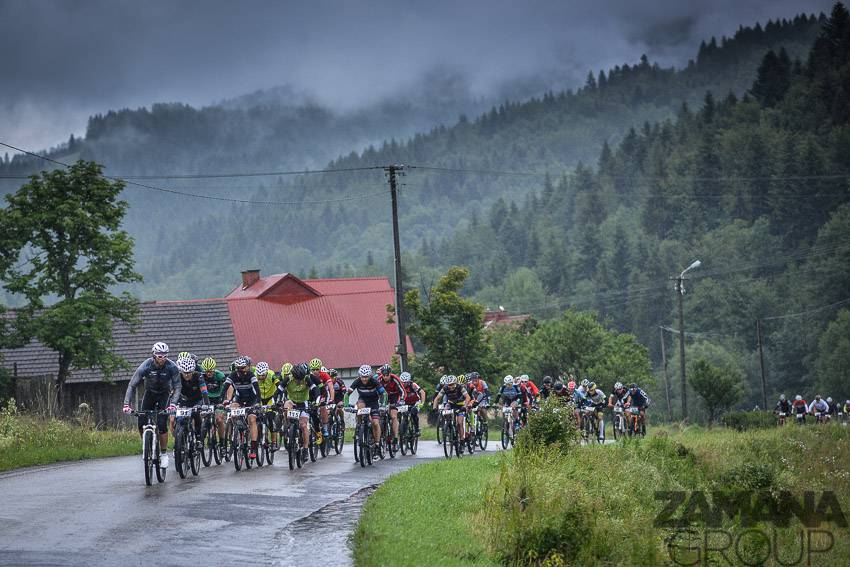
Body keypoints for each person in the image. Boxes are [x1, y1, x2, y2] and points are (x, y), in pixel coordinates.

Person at [122, 342, 181, 469]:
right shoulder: (146, 366)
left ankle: (164, 454)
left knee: (161, 423)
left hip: (164, 395)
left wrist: (173, 404)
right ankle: (146, 444)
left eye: (165, 356)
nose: (163, 358)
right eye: (160, 356)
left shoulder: (172, 367)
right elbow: (132, 385)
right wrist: (126, 404)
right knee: (141, 421)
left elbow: (177, 386)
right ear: (154, 356)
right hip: (150, 394)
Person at [279, 362, 321, 462]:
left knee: (303, 425)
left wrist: (317, 402)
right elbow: (279, 390)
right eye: (296, 379)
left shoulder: (306, 378)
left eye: (300, 379)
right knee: (286, 405)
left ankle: (306, 449)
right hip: (292, 402)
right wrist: (276, 401)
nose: (298, 381)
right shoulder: (288, 378)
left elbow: (315, 390)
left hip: (303, 403)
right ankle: (287, 426)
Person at [224, 356, 261, 460]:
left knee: (252, 419)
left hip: (252, 399)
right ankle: (238, 431)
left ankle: (253, 448)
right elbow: (225, 387)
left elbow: (257, 389)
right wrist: (223, 401)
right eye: (238, 368)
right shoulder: (233, 375)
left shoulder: (251, 375)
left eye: (243, 368)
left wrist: (258, 402)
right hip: (239, 398)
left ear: (247, 367)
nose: (240, 371)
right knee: (233, 409)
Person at [345, 365, 387, 456]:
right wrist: (346, 405)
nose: (364, 379)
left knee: (375, 423)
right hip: (363, 400)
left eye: (366, 377)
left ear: (370, 376)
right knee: (359, 407)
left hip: (373, 403)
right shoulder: (357, 381)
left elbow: (384, 393)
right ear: (360, 375)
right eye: (362, 377)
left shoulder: (374, 381)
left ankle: (377, 444)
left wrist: (383, 405)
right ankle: (359, 426)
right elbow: (347, 394)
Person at [171, 355, 210, 441]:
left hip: (197, 400)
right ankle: (178, 440)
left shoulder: (199, 376)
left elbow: (204, 392)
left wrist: (206, 404)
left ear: (193, 371)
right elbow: (171, 392)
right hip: (184, 400)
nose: (187, 375)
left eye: (189, 373)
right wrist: (171, 404)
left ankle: (199, 439)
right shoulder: (177, 377)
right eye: (184, 373)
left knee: (196, 415)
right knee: (178, 419)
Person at [432, 375, 472, 448]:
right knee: (445, 413)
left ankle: (462, 440)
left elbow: (468, 397)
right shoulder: (445, 388)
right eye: (449, 385)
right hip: (451, 404)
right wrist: (434, 408)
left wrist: (465, 406)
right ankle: (449, 426)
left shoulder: (460, 387)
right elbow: (437, 398)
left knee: (460, 423)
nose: (451, 386)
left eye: (452, 384)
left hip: (460, 405)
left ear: (456, 383)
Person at [200, 357, 228, 447]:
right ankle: (201, 438)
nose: (208, 373)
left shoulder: (219, 375)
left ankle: (222, 442)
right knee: (202, 417)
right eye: (206, 371)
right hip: (207, 399)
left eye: (211, 371)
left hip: (218, 399)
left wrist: (225, 401)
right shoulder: (201, 376)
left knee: (219, 420)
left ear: (214, 369)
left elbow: (228, 387)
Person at [378, 364, 406, 450]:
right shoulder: (378, 380)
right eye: (384, 375)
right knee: (380, 416)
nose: (386, 377)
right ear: (381, 374)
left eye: (387, 375)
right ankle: (382, 435)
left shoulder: (395, 379)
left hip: (394, 397)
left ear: (390, 374)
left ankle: (396, 439)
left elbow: (403, 391)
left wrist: (401, 400)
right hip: (384, 398)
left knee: (394, 416)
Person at [254, 362, 280, 450]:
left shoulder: (272, 375)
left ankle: (274, 442)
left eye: (263, 375)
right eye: (259, 375)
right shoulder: (254, 376)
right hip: (260, 399)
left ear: (267, 372)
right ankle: (258, 437)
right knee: (257, 417)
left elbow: (279, 386)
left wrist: (278, 400)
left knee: (270, 418)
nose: (261, 377)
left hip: (270, 399)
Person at [309, 358, 334, 444]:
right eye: (313, 370)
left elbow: (331, 387)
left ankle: (325, 427)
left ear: (320, 369)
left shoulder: (324, 375)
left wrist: (331, 399)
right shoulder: (309, 377)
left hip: (323, 395)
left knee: (323, 407)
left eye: (317, 369)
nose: (315, 371)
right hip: (312, 396)